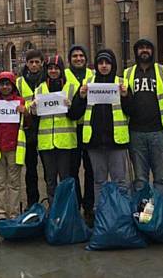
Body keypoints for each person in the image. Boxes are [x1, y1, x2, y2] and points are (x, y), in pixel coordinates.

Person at [72, 49, 130, 207]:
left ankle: (121, 217)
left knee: (120, 182)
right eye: (100, 63)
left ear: (113, 64)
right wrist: (80, 97)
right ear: (96, 65)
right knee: (99, 182)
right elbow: (74, 113)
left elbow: (131, 111)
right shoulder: (88, 83)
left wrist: (126, 96)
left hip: (116, 141)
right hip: (95, 141)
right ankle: (101, 217)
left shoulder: (121, 83)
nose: (104, 66)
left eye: (107, 63)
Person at [124, 39, 163, 199]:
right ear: (136, 51)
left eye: (147, 48)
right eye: (141, 48)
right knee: (140, 179)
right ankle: (143, 215)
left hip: (159, 133)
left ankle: (159, 213)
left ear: (152, 51)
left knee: (161, 178)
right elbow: (124, 104)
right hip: (136, 133)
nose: (144, 51)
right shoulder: (127, 73)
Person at [30, 55, 82, 203]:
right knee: (50, 179)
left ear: (61, 69)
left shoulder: (71, 87)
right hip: (46, 142)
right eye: (50, 68)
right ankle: (53, 210)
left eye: (56, 68)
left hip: (66, 142)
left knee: (66, 179)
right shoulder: (40, 89)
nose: (53, 71)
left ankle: (66, 210)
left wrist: (71, 105)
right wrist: (32, 109)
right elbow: (35, 118)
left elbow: (77, 115)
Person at [0, 72, 30, 220]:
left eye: (8, 84)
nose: (5, 87)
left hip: (15, 148)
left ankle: (14, 213)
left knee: (14, 183)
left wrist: (26, 113)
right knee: (0, 183)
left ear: (13, 85)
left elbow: (28, 125)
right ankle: (0, 213)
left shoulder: (20, 102)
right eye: (2, 84)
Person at [64, 45, 95, 220]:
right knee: (72, 169)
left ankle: (89, 205)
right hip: (71, 127)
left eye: (81, 55)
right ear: (70, 59)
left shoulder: (93, 75)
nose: (78, 59)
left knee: (90, 169)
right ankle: (76, 203)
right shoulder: (65, 76)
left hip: (89, 127)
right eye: (75, 56)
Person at [17, 49, 44, 209]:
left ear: (41, 64)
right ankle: (32, 202)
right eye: (31, 62)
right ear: (26, 64)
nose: (34, 65)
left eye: (37, 62)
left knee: (49, 172)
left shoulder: (47, 80)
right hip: (27, 130)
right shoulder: (19, 82)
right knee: (31, 170)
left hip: (45, 128)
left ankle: (50, 201)